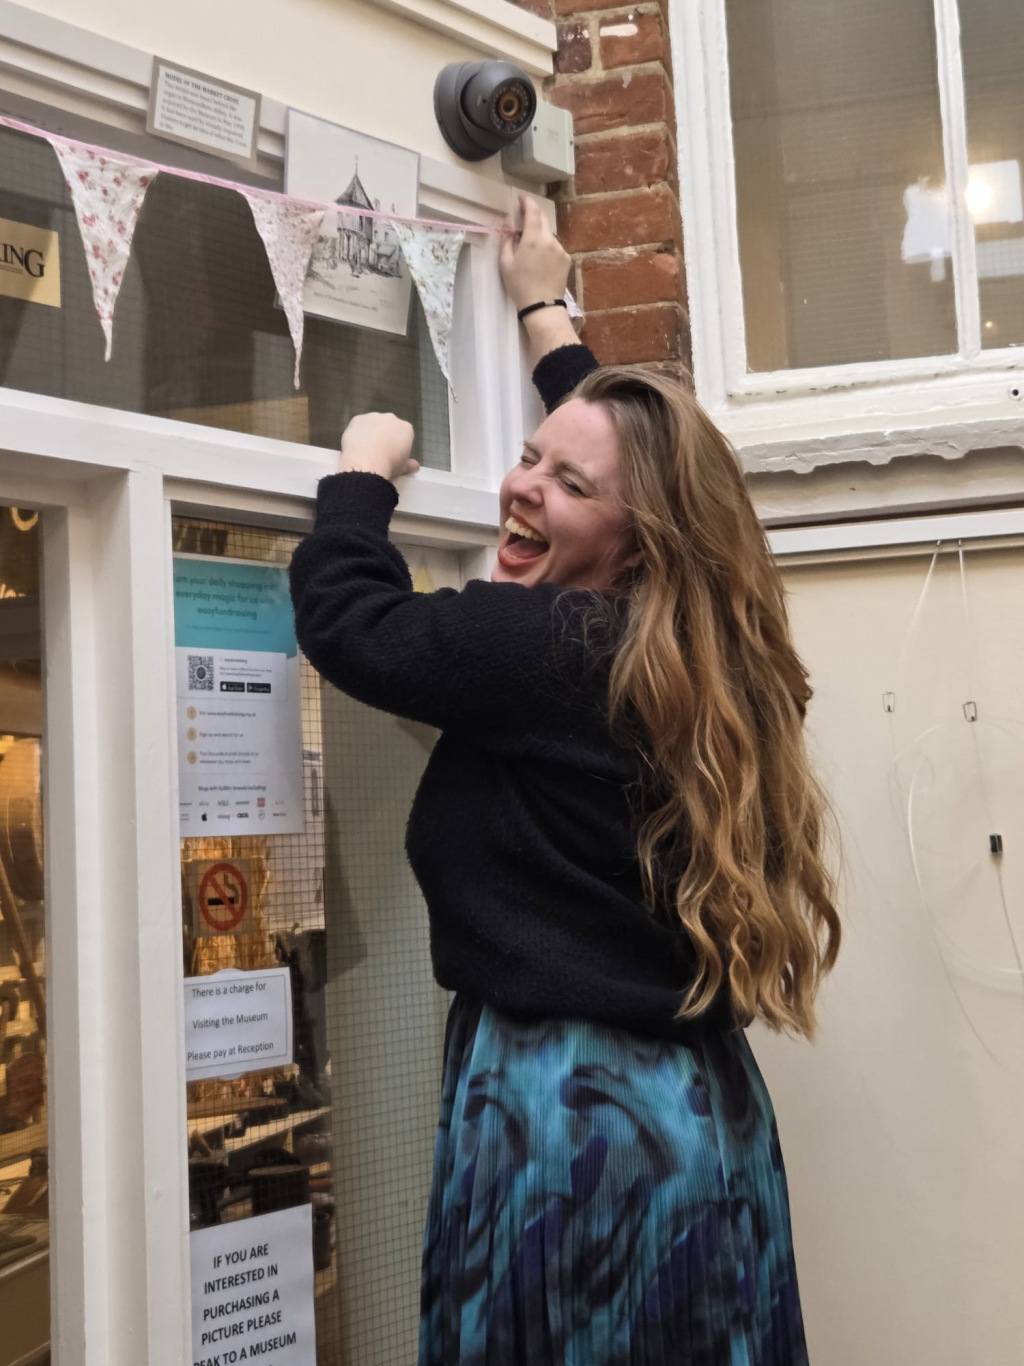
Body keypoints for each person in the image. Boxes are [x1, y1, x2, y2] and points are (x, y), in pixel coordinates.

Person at [289, 195, 840, 1366]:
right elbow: (629, 463)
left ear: (640, 540)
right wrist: (545, 314)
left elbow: (354, 627)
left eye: (564, 486)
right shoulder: (705, 652)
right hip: (697, 1111)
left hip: (568, 1126)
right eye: (527, 460)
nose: (523, 485)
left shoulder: (543, 649)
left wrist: (361, 476)